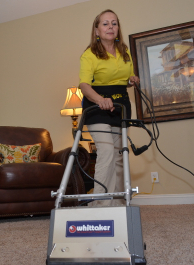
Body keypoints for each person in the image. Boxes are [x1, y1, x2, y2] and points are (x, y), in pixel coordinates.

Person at [79, 9, 139, 206]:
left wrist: (132, 80)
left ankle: (120, 204)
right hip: (97, 108)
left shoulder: (124, 51)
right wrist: (100, 100)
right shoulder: (89, 54)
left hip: (120, 105)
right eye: (105, 23)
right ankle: (101, 205)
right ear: (97, 30)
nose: (110, 27)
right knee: (106, 153)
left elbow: (124, 79)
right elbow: (84, 85)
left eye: (114, 23)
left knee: (120, 156)